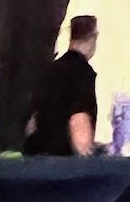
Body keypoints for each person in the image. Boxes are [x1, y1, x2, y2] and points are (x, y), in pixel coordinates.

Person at [25, 15, 99, 156]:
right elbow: (79, 119)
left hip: (37, 157)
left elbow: (31, 124)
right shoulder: (83, 72)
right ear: (92, 38)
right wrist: (86, 156)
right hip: (64, 160)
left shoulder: (49, 70)